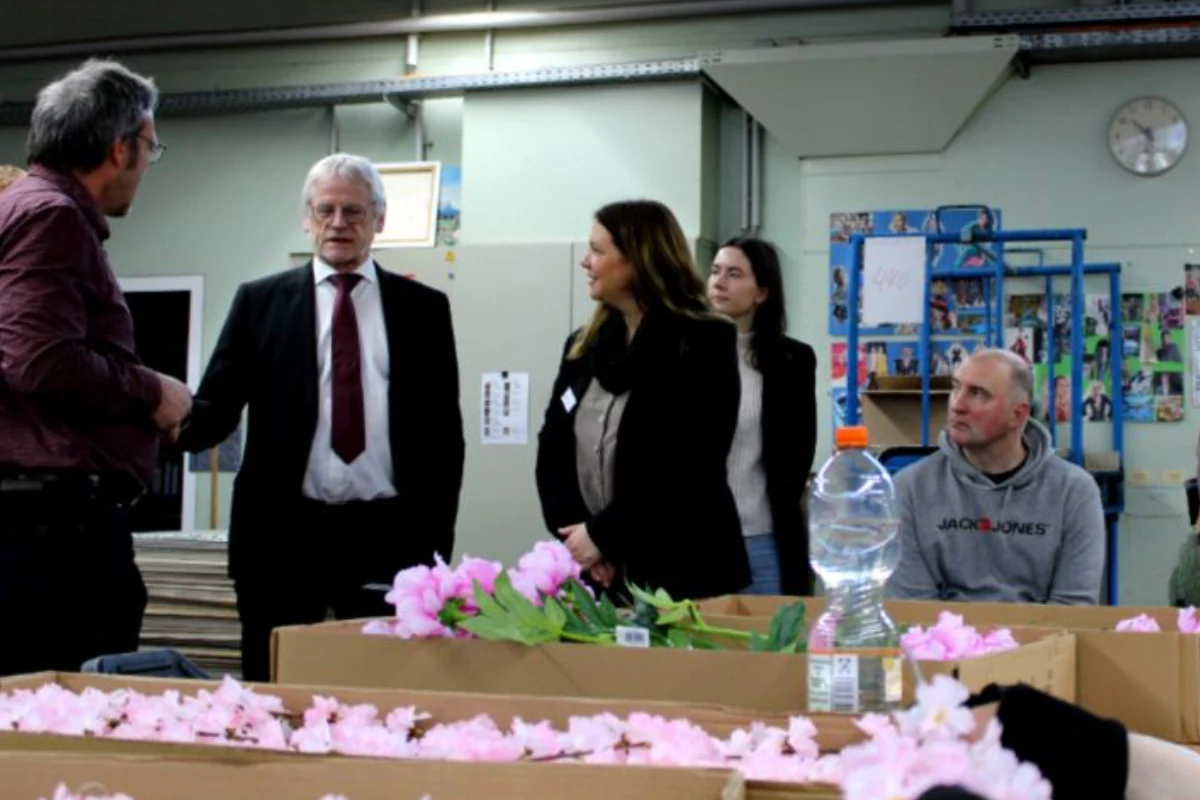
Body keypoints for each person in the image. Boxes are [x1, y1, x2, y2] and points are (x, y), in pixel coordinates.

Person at [177, 153, 465, 681]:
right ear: (307, 218)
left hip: (387, 536)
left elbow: (445, 438)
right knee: (273, 687)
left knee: (387, 691)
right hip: (282, 538)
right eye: (326, 210)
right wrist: (152, 420)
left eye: (354, 212)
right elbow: (214, 409)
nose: (338, 223)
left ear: (379, 219)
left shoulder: (424, 311)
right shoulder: (259, 302)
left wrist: (433, 545)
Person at [0, 59, 191, 676]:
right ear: (120, 147)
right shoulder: (50, 217)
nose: (146, 168)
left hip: (41, 531)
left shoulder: (26, 209)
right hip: (49, 538)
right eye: (151, 148)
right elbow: (39, 359)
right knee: (64, 732)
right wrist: (151, 392)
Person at [535, 199, 749, 602]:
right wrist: (580, 538)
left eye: (598, 251)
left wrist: (603, 535)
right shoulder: (583, 347)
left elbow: (691, 465)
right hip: (599, 576)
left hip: (685, 571)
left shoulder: (704, 343)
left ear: (638, 260)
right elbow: (553, 449)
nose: (586, 261)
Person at [890, 348, 1105, 605]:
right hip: (941, 641)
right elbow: (913, 606)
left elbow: (1073, 607)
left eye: (978, 394)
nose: (957, 405)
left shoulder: (1074, 491)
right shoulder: (910, 488)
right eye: (956, 388)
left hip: (1043, 641)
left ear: (1018, 414)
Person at [707, 237, 817, 595]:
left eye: (735, 274)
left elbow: (797, 456)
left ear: (762, 293)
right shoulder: (684, 354)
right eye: (715, 271)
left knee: (770, 646)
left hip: (763, 537)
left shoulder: (793, 361)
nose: (719, 282)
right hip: (698, 539)